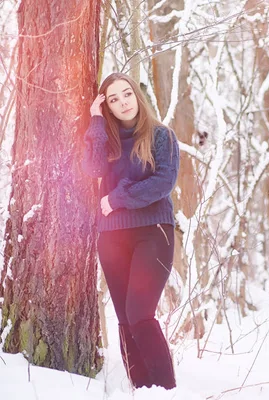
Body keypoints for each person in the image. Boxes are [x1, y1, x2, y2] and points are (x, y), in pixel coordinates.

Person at [81, 72, 180, 389]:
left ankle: (167, 391)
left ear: (137, 95)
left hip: (154, 232)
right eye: (113, 99)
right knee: (124, 318)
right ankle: (140, 390)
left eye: (127, 94)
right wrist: (96, 123)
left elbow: (162, 184)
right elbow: (92, 170)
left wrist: (117, 198)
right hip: (111, 237)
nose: (123, 102)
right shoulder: (106, 140)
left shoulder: (161, 136)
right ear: (106, 106)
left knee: (140, 313)